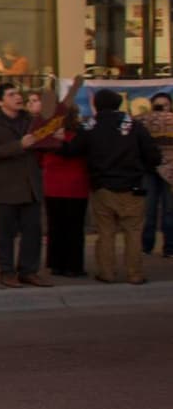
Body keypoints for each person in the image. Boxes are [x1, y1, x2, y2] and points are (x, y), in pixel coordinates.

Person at [72, 89, 160, 285]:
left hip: (102, 186)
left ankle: (107, 272)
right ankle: (135, 274)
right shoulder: (133, 125)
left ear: (96, 104)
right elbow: (154, 156)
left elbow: (73, 149)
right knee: (134, 232)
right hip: (134, 187)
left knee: (106, 232)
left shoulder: (90, 125)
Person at [0, 81, 50, 289]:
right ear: (0, 101)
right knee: (6, 233)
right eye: (11, 95)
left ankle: (29, 270)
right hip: (6, 185)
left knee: (33, 231)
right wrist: (19, 145)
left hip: (30, 185)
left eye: (18, 94)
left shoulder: (31, 121)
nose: (18, 97)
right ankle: (7, 271)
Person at [31, 91, 90, 278]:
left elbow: (39, 156)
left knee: (55, 226)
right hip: (76, 186)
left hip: (53, 184)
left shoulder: (47, 133)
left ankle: (56, 264)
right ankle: (73, 265)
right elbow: (82, 153)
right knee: (74, 227)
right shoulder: (80, 133)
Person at [148, 93, 173, 260]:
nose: (162, 109)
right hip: (149, 170)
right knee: (148, 210)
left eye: (165, 105)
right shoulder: (144, 121)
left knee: (169, 211)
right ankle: (145, 246)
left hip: (170, 171)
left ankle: (169, 247)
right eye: (158, 106)